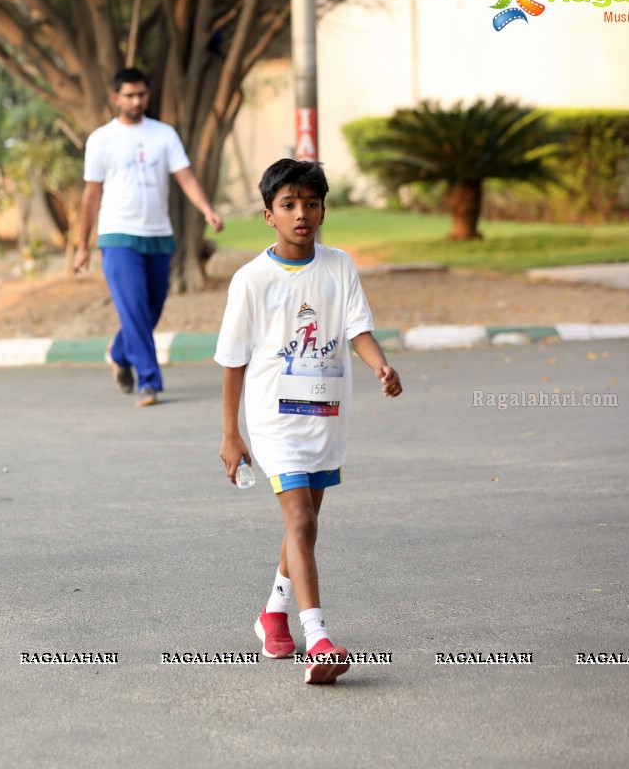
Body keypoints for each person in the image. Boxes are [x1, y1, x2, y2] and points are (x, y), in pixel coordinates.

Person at [215, 159, 402, 685]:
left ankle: (272, 614)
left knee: (307, 524)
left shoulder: (340, 266)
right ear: (268, 215)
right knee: (298, 521)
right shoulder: (251, 280)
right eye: (289, 205)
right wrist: (232, 433)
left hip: (325, 416)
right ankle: (317, 637)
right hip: (275, 421)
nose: (302, 214)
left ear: (323, 209)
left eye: (311, 204)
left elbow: (357, 328)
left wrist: (379, 365)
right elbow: (233, 359)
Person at [73, 67, 224, 407]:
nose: (137, 100)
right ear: (116, 98)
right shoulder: (101, 139)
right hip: (117, 235)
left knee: (151, 308)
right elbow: (91, 195)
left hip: (158, 234)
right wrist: (83, 246)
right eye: (129, 95)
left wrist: (206, 209)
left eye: (141, 94)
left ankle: (120, 353)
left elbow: (185, 177)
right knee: (134, 307)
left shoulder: (163, 134)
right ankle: (149, 381)